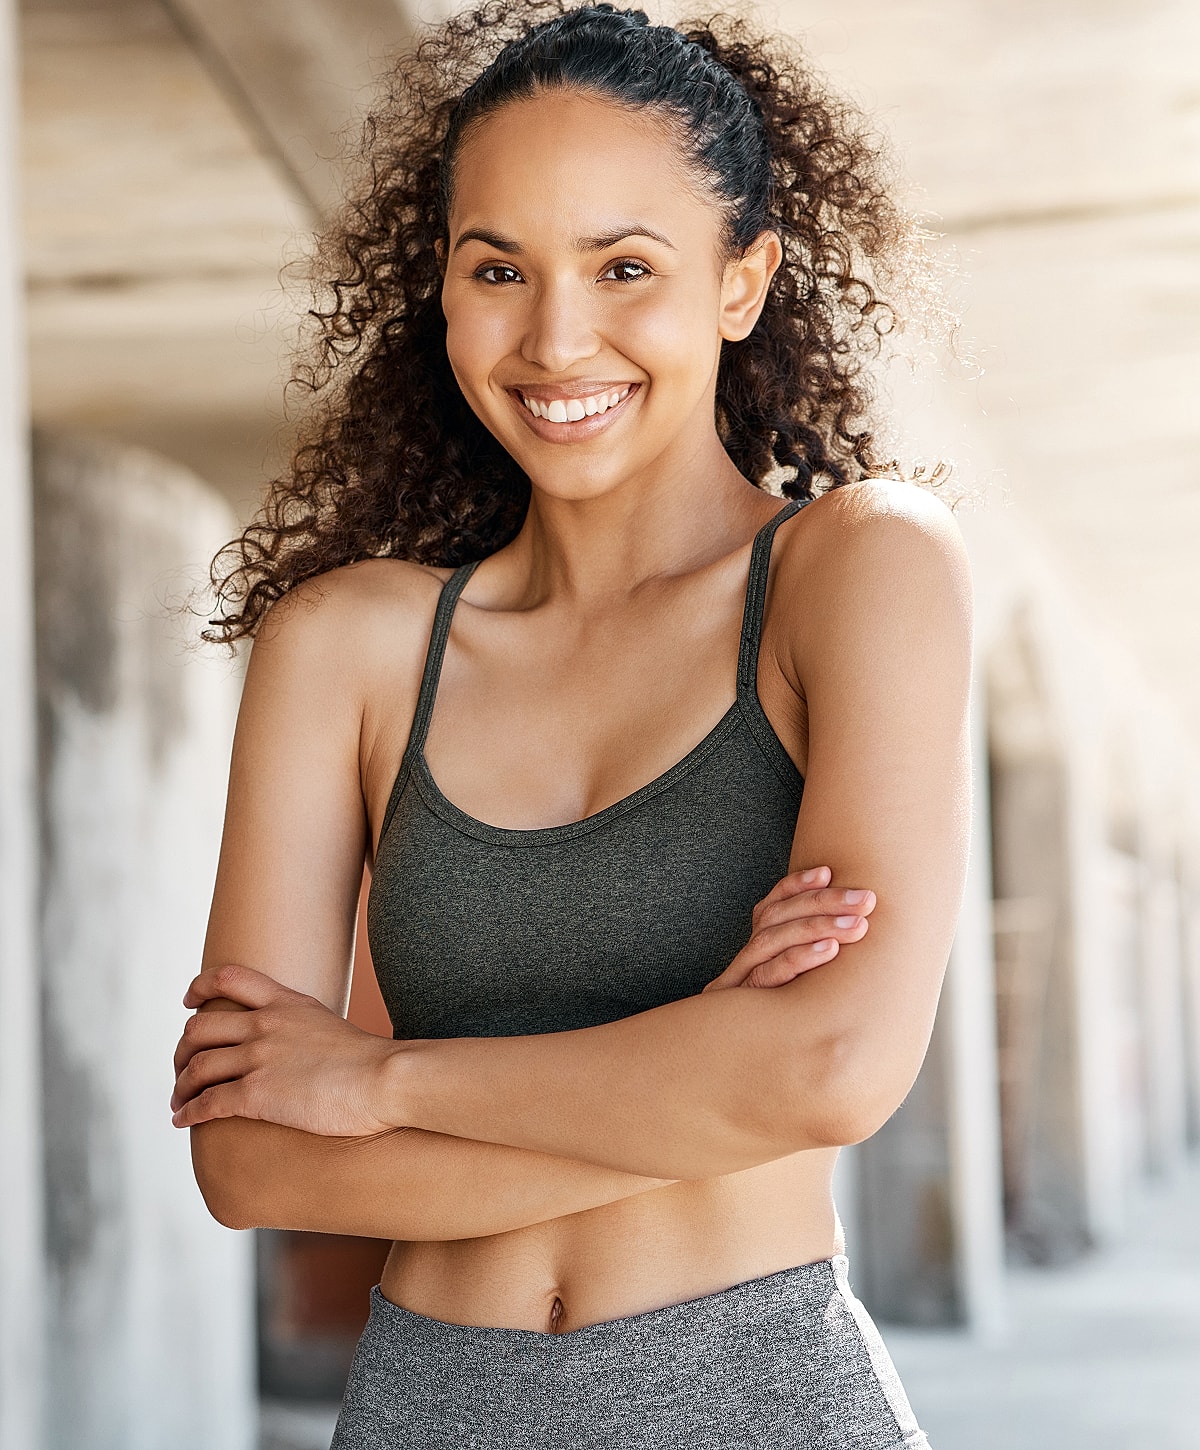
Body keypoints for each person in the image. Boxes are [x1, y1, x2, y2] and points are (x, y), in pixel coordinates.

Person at [170, 4, 971, 1445]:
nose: (555, 337)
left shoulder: (858, 571)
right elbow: (252, 1160)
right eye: (499, 269)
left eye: (625, 267)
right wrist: (705, 1069)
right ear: (444, 286)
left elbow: (833, 1067)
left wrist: (382, 1080)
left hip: (762, 1400)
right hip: (432, 1407)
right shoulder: (346, 648)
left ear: (743, 282)